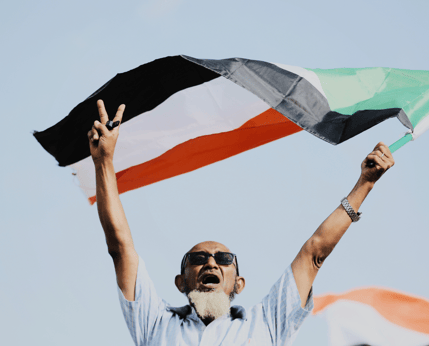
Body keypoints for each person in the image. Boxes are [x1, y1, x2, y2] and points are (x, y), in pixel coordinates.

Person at [88, 100, 395, 346]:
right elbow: (120, 248)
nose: (211, 262)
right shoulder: (156, 324)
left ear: (238, 284)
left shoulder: (266, 324)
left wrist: (364, 184)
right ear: (181, 282)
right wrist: (104, 162)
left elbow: (314, 253)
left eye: (223, 259)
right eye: (198, 259)